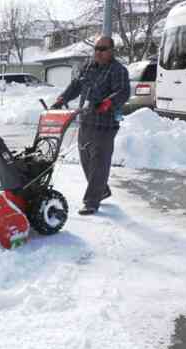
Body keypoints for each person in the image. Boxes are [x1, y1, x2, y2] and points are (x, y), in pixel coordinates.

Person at [51, 36, 130, 215]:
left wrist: (108, 102)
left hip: (105, 124)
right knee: (86, 159)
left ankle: (92, 201)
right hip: (86, 120)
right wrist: (62, 98)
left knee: (99, 162)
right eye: (96, 48)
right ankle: (102, 190)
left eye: (103, 49)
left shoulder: (118, 70)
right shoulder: (88, 67)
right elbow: (76, 85)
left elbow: (123, 92)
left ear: (111, 50)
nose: (98, 52)